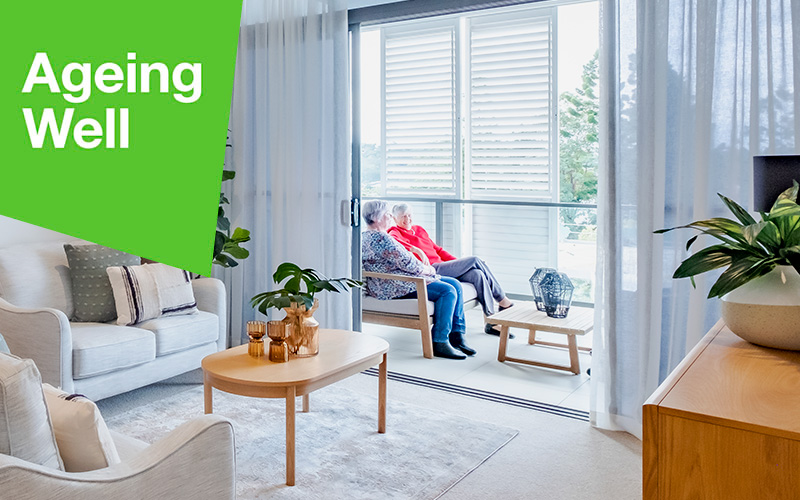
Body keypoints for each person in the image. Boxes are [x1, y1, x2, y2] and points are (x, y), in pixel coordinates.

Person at [361, 200, 475, 359]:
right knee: (447, 291)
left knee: (455, 283)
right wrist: (428, 269)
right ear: (377, 217)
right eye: (387, 214)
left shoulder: (367, 236)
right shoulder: (381, 238)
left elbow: (402, 259)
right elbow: (407, 262)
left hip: (396, 281)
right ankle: (440, 341)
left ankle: (457, 334)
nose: (390, 217)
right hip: (394, 285)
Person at [388, 203, 514, 336]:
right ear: (395, 219)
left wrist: (458, 263)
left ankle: (491, 322)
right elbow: (395, 244)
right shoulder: (394, 232)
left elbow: (438, 250)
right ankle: (503, 300)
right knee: (475, 260)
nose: (407, 219)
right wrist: (415, 249)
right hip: (431, 270)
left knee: (477, 274)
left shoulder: (419, 229)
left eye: (409, 215)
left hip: (442, 266)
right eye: (403, 217)